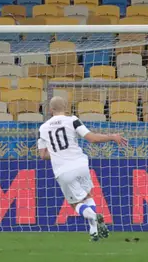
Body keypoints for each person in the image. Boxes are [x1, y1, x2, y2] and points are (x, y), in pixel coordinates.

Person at [37, 96, 127, 241]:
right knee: (87, 195)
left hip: (63, 170)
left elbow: (43, 155)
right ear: (66, 107)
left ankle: (92, 216)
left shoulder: (43, 128)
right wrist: (111, 136)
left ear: (50, 109)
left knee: (75, 203)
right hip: (81, 165)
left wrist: (56, 152)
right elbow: (92, 138)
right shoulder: (73, 120)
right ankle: (93, 229)